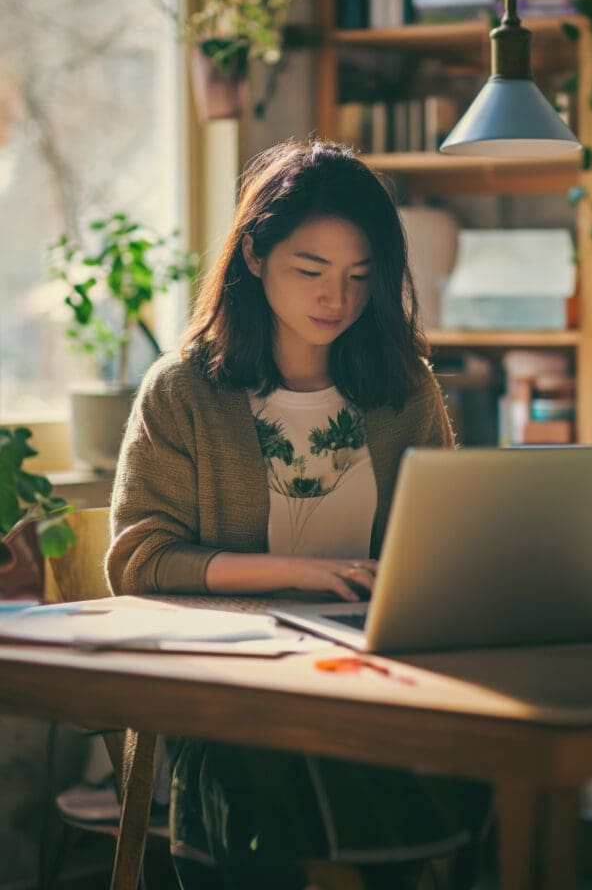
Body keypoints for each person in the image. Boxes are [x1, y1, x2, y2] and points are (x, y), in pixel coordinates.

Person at [105, 140, 488, 889]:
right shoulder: (183, 391)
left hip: (372, 660)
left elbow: (442, 540)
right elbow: (138, 560)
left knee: (479, 729)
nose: (334, 299)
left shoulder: (402, 388)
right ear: (253, 254)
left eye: (358, 277)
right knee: (277, 743)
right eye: (309, 271)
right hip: (230, 673)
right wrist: (298, 574)